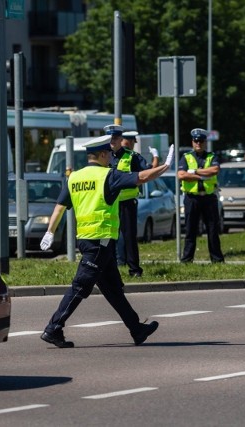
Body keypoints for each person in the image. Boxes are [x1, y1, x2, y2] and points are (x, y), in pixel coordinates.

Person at [39, 134, 174, 348]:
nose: (112, 156)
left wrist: (50, 232)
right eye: (109, 153)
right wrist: (164, 166)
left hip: (87, 239)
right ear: (101, 155)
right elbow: (141, 177)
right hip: (100, 241)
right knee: (80, 286)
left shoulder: (74, 177)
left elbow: (60, 206)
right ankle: (53, 328)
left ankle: (137, 329)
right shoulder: (108, 176)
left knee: (113, 290)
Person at [106, 126, 155, 277]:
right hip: (110, 202)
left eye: (115, 138)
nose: (112, 141)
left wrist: (157, 160)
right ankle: (111, 268)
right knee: (109, 236)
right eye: (110, 138)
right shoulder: (104, 156)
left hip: (127, 203)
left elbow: (146, 173)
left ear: (121, 140)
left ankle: (134, 269)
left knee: (129, 236)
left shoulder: (132, 156)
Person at [178, 128, 224, 263]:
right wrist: (204, 175)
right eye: (196, 141)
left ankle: (217, 259)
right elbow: (181, 175)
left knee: (212, 230)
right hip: (192, 198)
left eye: (201, 141)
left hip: (209, 198)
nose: (198, 143)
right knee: (190, 230)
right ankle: (187, 260)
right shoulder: (186, 157)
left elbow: (215, 170)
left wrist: (195, 172)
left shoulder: (211, 156)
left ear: (205, 142)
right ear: (192, 142)